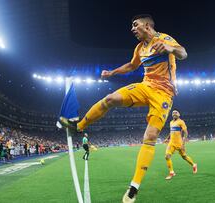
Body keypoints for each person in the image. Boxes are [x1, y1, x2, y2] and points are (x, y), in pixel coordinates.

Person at [59, 14, 187, 203]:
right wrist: (112, 72)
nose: (132, 29)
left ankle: (134, 187)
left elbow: (183, 53)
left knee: (150, 137)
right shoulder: (140, 48)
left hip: (163, 94)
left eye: (135, 25)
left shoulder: (163, 39)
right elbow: (131, 65)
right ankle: (78, 126)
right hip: (145, 87)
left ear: (147, 26)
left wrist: (169, 48)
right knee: (111, 98)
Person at [164, 110, 197, 180]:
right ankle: (172, 172)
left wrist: (183, 144)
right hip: (171, 143)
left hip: (179, 143)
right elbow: (171, 132)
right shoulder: (171, 122)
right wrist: (167, 138)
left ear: (179, 114)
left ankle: (194, 165)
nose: (174, 114)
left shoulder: (181, 122)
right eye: (173, 113)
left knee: (184, 156)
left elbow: (186, 133)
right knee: (167, 156)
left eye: (176, 113)